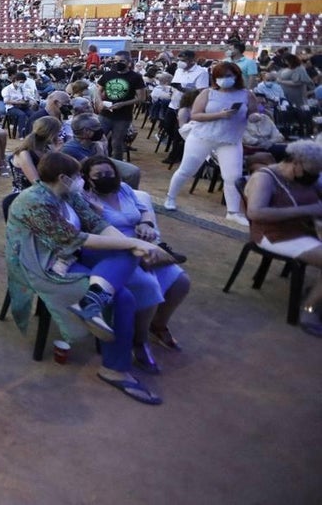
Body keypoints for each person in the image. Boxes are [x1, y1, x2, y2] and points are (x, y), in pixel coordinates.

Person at [4, 152, 171, 405]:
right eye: (77, 176)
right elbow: (71, 239)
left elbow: (94, 222)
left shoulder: (68, 193)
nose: (81, 180)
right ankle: (114, 366)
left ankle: (92, 301)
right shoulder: (33, 201)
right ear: (63, 177)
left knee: (125, 255)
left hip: (68, 256)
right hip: (42, 265)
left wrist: (131, 245)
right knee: (122, 296)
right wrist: (134, 244)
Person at [80, 156, 190, 371]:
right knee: (149, 287)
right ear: (88, 179)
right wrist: (97, 212)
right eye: (99, 175)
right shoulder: (85, 198)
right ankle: (139, 341)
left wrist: (146, 223)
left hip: (143, 242)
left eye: (109, 173)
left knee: (181, 282)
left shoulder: (123, 189)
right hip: (112, 251)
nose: (106, 178)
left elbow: (144, 209)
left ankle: (157, 325)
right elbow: (91, 231)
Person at [242, 140, 322, 336]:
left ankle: (316, 290)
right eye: (309, 172)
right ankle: (310, 308)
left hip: (302, 229)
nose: (312, 177)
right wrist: (307, 210)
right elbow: (256, 213)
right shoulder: (266, 178)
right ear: (295, 162)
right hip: (274, 234)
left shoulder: (306, 177)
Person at [163, 61, 256, 226]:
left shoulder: (246, 94)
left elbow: (253, 112)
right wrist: (220, 115)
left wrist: (256, 116)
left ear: (236, 76)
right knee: (187, 169)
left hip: (230, 139)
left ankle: (233, 212)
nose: (224, 79)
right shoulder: (208, 93)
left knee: (232, 177)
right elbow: (196, 115)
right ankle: (170, 197)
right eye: (220, 76)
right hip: (202, 136)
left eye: (228, 76)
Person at [97, 51, 146, 161]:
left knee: (117, 143)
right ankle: (98, 161)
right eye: (116, 61)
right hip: (105, 113)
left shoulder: (136, 77)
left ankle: (116, 165)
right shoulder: (108, 74)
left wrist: (122, 104)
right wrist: (100, 102)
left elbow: (141, 98)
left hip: (123, 116)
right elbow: (98, 90)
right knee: (98, 139)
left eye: (121, 61)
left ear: (129, 63)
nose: (118, 63)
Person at [11, 116, 64, 192]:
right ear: (50, 134)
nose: (60, 136)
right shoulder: (24, 153)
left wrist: (57, 153)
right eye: (58, 132)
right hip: (26, 194)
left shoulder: (47, 148)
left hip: (43, 190)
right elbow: (36, 183)